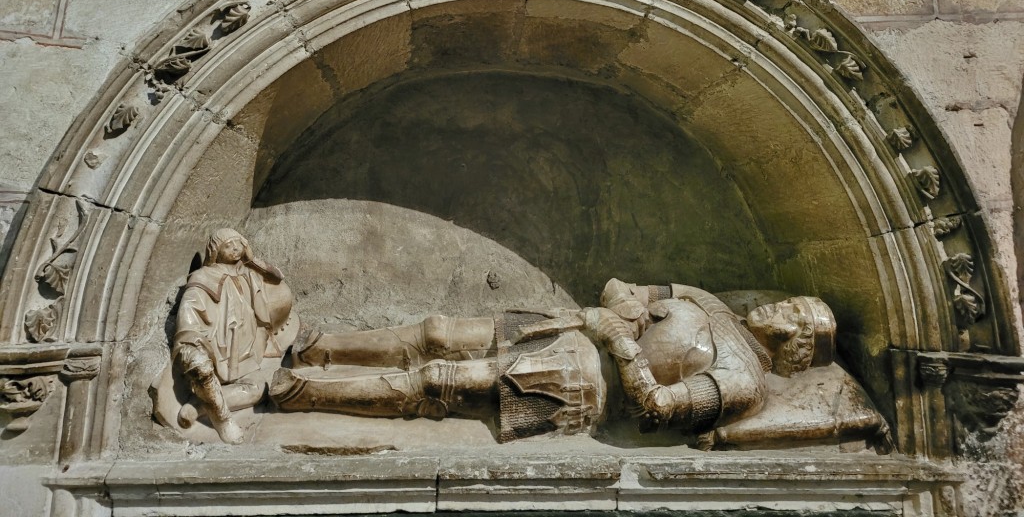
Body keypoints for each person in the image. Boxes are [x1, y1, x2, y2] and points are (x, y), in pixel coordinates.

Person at [269, 278, 837, 443]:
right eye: (789, 301)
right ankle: (321, 345)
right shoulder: (709, 302)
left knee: (437, 381)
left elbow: (658, 408)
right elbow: (624, 286)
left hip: (580, 382)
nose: (778, 307)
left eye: (793, 315)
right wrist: (624, 307)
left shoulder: (743, 384)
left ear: (799, 346)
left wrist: (620, 342)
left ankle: (301, 394)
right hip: (566, 325)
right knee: (437, 332)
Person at [171, 229, 295, 443]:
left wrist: (252, 259)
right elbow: (189, 312)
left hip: (246, 354)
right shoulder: (204, 277)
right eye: (228, 245)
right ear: (215, 251)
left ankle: (199, 406)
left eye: (239, 243)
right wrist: (193, 341)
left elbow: (277, 277)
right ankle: (222, 417)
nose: (235, 248)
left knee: (257, 390)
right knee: (201, 366)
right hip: (217, 351)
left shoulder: (248, 273)